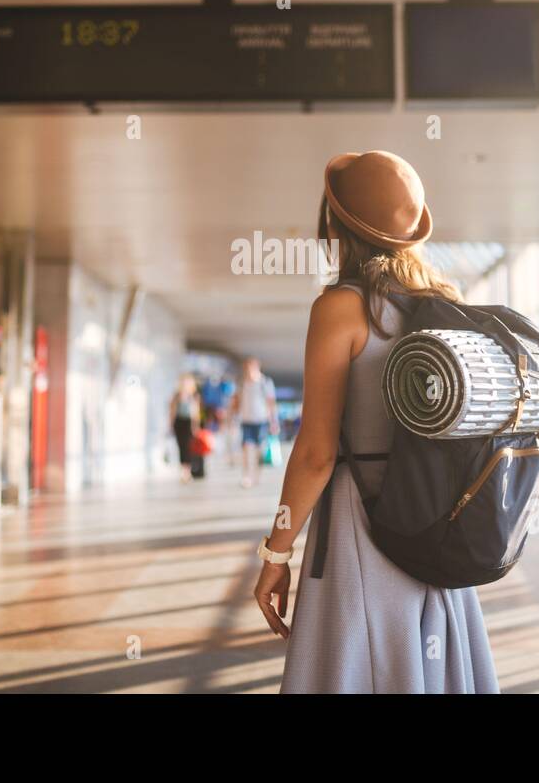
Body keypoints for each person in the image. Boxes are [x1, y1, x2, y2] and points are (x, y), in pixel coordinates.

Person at [253, 150, 500, 693]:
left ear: (335, 224)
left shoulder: (342, 307)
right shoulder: (447, 303)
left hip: (361, 529)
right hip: (438, 525)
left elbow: (317, 453)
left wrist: (276, 551)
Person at [233, 357, 277, 488]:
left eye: (250, 368)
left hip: (261, 421)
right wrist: (234, 418)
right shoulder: (242, 383)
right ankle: (246, 476)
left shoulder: (265, 382)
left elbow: (271, 403)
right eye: (246, 368)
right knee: (246, 448)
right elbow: (237, 401)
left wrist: (273, 422)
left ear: (257, 368)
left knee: (259, 451)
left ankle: (256, 474)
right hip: (246, 420)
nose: (248, 371)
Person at [169, 374, 203, 482]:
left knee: (189, 447)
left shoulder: (194, 396)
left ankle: (188, 471)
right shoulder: (177, 395)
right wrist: (170, 424)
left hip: (189, 423)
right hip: (179, 422)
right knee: (181, 447)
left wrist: (196, 426)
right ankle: (183, 471)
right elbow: (173, 411)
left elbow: (196, 412)